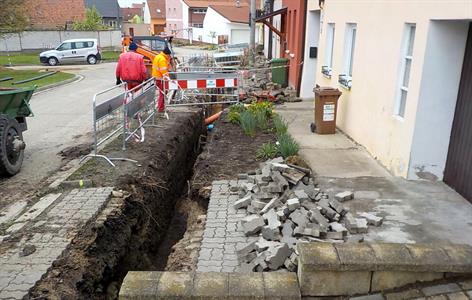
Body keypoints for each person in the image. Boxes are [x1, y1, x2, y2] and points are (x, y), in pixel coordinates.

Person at [152, 46, 172, 112]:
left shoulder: (157, 56)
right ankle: (160, 108)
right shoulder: (162, 59)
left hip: (156, 78)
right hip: (160, 79)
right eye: (169, 55)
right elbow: (164, 71)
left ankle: (161, 107)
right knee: (162, 93)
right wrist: (169, 79)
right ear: (167, 54)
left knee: (162, 93)